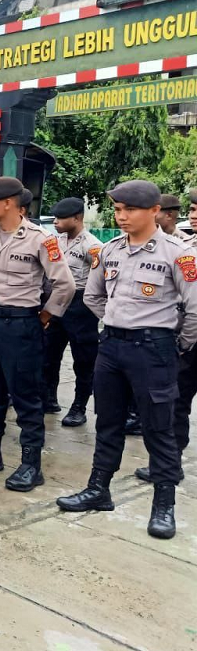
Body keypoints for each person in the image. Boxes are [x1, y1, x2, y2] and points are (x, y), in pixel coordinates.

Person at [57, 180, 197, 540]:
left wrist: (175, 343)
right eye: (117, 210)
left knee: (158, 428)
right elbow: (93, 295)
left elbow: (195, 309)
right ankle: (98, 489)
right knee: (108, 421)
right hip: (112, 347)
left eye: (129, 210)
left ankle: (163, 505)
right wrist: (118, 321)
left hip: (154, 350)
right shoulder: (110, 250)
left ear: (154, 211)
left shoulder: (177, 254)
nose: (121, 217)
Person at [0, 177, 76, 491]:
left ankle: (30, 465)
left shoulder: (40, 239)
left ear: (8, 203)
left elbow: (65, 284)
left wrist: (46, 315)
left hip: (23, 324)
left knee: (26, 396)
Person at [136, 189, 197, 483]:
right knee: (177, 403)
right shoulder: (184, 246)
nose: (194, 215)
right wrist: (184, 342)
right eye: (193, 209)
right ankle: (169, 463)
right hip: (190, 338)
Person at [42, 198, 103, 426]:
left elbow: (101, 281)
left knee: (84, 360)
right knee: (49, 354)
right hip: (56, 301)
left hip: (80, 305)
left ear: (77, 218)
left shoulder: (92, 246)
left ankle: (79, 406)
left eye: (60, 218)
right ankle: (48, 397)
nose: (56, 222)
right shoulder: (53, 241)